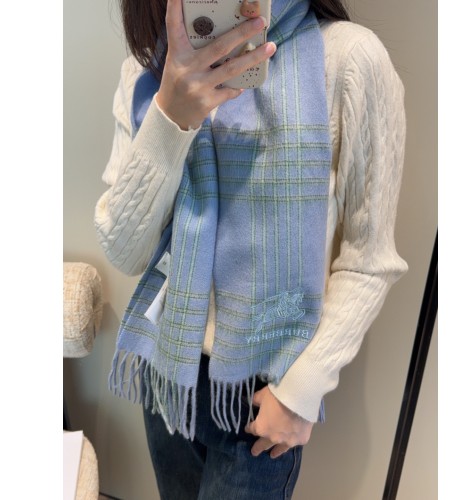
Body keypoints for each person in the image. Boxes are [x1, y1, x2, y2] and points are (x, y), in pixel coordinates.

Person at [94, 0, 408, 498]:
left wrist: (301, 391)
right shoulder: (147, 69)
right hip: (167, 367)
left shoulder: (348, 59)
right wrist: (170, 116)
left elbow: (369, 260)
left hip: (264, 393)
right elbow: (127, 252)